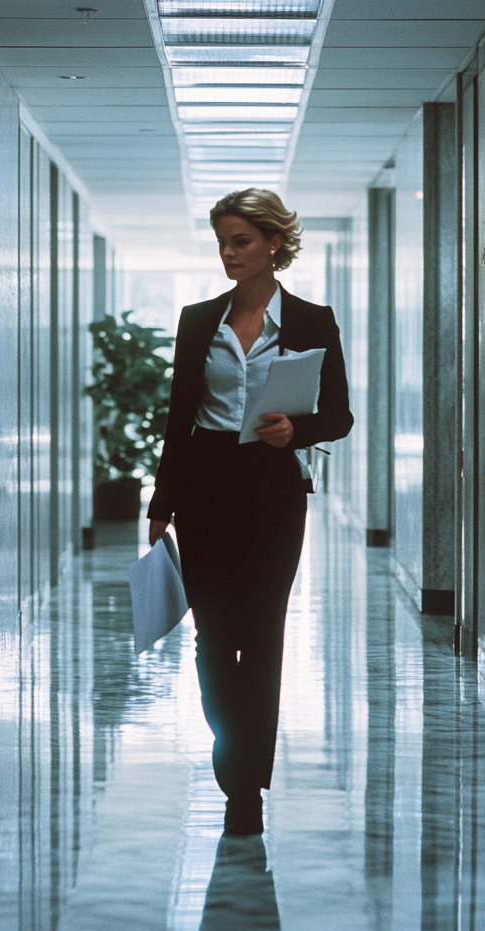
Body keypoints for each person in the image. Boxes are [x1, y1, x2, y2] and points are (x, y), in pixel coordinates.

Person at [148, 189, 353, 836]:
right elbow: (179, 420)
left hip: (272, 486)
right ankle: (230, 750)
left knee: (261, 636)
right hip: (205, 486)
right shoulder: (197, 319)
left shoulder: (313, 320)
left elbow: (340, 416)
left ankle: (247, 790)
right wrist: (161, 503)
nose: (229, 253)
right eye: (223, 242)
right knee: (213, 640)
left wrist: (299, 431)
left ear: (273, 244)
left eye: (241, 241)